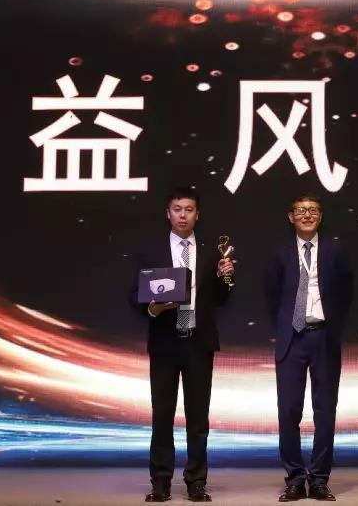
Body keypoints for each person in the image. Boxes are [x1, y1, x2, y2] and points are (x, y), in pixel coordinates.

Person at [133, 187, 235, 502]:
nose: (182, 215)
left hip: (198, 342)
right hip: (165, 342)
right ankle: (160, 481)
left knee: (198, 417)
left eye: (189, 209)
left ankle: (196, 481)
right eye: (177, 209)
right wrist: (154, 309)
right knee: (162, 414)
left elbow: (220, 298)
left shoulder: (211, 252)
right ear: (168, 213)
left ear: (197, 214)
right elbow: (135, 296)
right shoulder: (152, 251)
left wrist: (226, 277)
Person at [264, 194, 353, 502]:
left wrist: (333, 324)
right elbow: (271, 296)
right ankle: (294, 478)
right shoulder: (279, 253)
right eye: (301, 210)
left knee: (325, 410)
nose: (307, 215)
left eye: (313, 210)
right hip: (292, 338)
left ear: (321, 216)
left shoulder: (335, 250)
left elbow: (346, 292)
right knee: (288, 410)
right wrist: (287, 324)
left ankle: (318, 479)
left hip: (323, 337)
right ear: (291, 216)